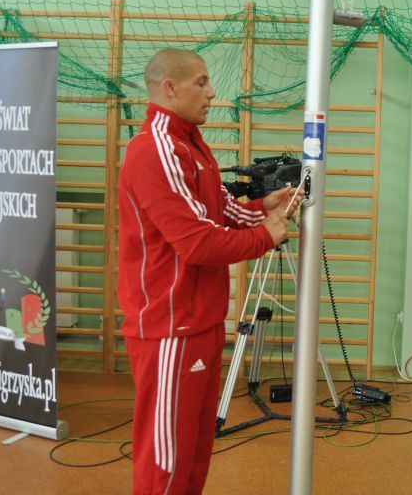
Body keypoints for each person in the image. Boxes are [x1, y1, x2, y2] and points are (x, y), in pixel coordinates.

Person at [117, 48, 302, 494]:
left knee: (195, 450)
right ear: (169, 88)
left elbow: (216, 213)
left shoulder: (191, 144)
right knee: (166, 460)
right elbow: (197, 243)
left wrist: (263, 210)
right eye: (200, 82)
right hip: (168, 327)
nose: (212, 92)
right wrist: (266, 236)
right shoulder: (155, 150)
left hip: (200, 320)